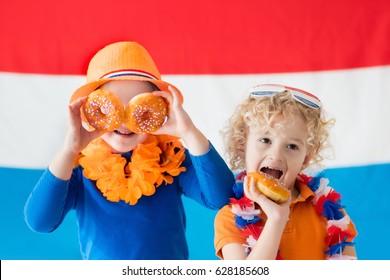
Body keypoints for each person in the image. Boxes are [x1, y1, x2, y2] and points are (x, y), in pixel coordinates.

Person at [24, 41, 234, 260]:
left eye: (138, 110)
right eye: (110, 108)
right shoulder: (78, 169)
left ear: (160, 111)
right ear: (88, 112)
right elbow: (40, 221)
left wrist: (190, 133)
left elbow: (220, 197)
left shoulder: (171, 158)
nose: (124, 122)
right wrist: (69, 150)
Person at [214, 84, 357, 260]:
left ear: (305, 159)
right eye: (265, 140)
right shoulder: (230, 217)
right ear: (242, 146)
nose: (276, 155)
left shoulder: (330, 212)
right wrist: (277, 219)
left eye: (292, 146)